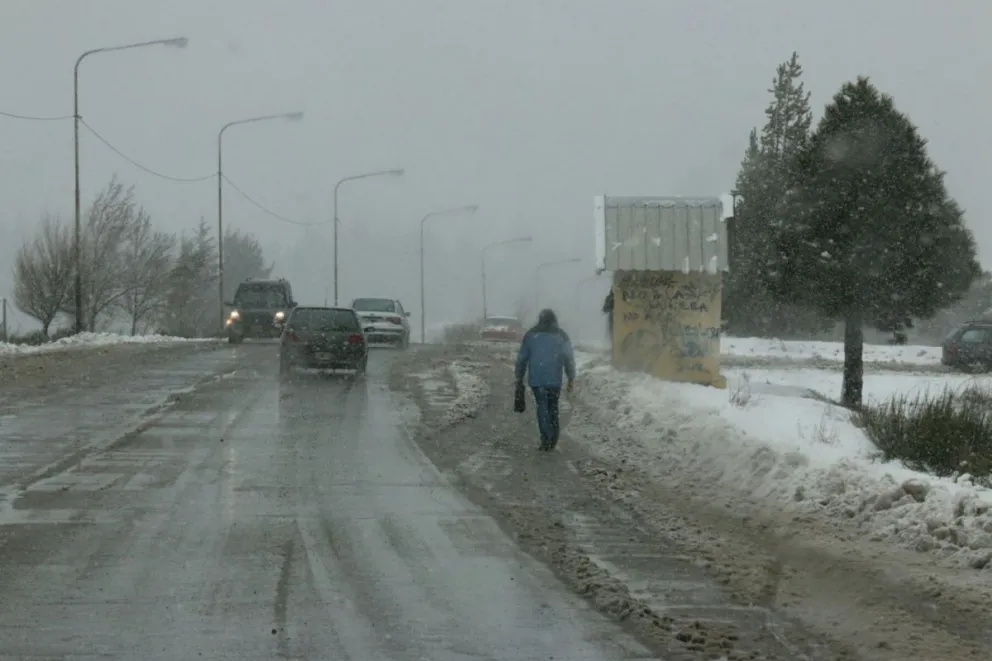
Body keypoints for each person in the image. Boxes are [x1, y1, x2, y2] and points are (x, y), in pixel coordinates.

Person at [514, 308, 576, 451]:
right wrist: (571, 376)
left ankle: (546, 438)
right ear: (554, 320)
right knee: (553, 408)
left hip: (537, 379)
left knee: (542, 407)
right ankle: (553, 438)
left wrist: (519, 375)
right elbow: (568, 358)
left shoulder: (531, 335)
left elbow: (522, 358)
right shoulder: (561, 336)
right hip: (554, 379)